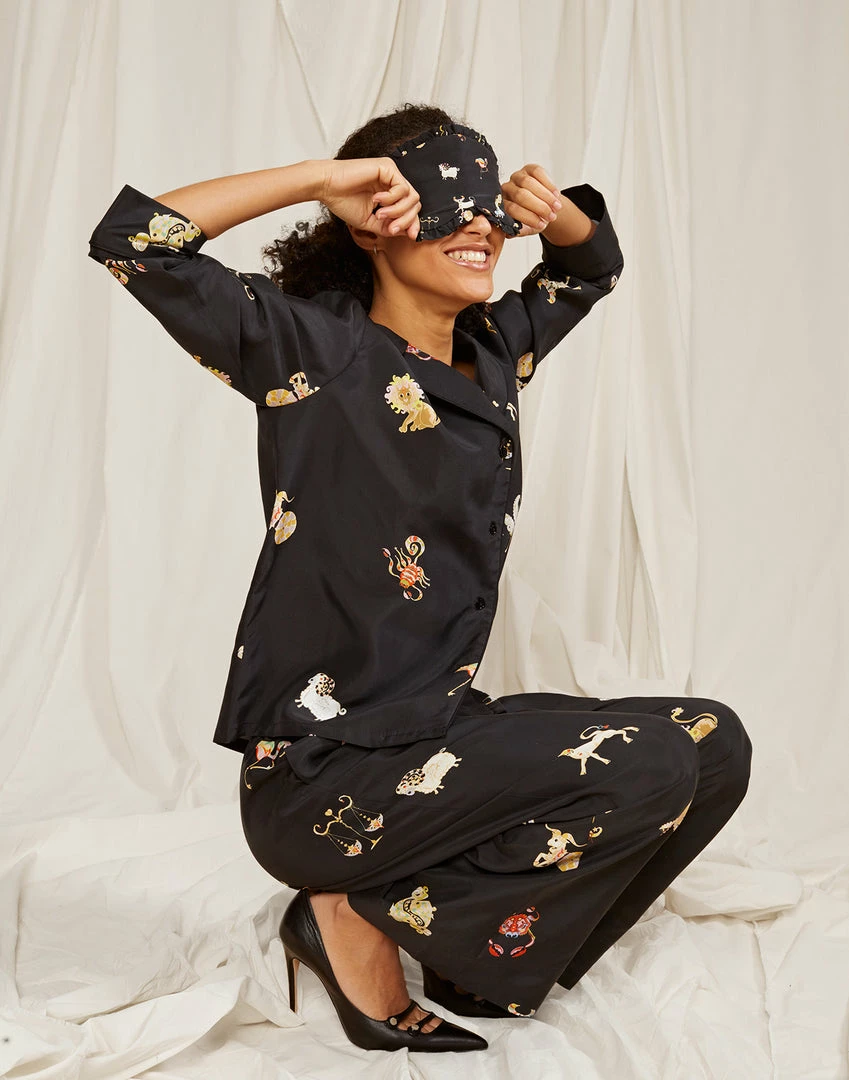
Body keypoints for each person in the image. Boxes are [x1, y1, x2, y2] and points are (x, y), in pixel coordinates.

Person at [87, 103, 752, 1055]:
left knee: (710, 743)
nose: (479, 226)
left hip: (435, 734)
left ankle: (463, 957)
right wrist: (323, 179)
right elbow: (135, 241)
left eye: (488, 209)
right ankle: (346, 911)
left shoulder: (492, 354)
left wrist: (553, 212)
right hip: (323, 778)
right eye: (447, 204)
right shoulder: (314, 349)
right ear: (373, 226)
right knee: (649, 763)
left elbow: (587, 267)